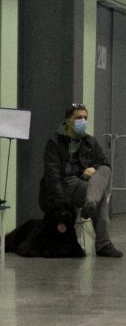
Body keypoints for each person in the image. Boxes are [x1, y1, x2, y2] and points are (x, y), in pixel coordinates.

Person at [40, 104, 122, 257]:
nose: (83, 121)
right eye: (78, 118)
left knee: (105, 169)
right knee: (101, 193)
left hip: (86, 184)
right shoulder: (55, 143)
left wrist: (93, 168)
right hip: (66, 185)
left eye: (85, 118)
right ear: (68, 121)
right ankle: (103, 243)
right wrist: (60, 200)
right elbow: (53, 176)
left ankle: (91, 202)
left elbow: (104, 163)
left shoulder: (90, 142)